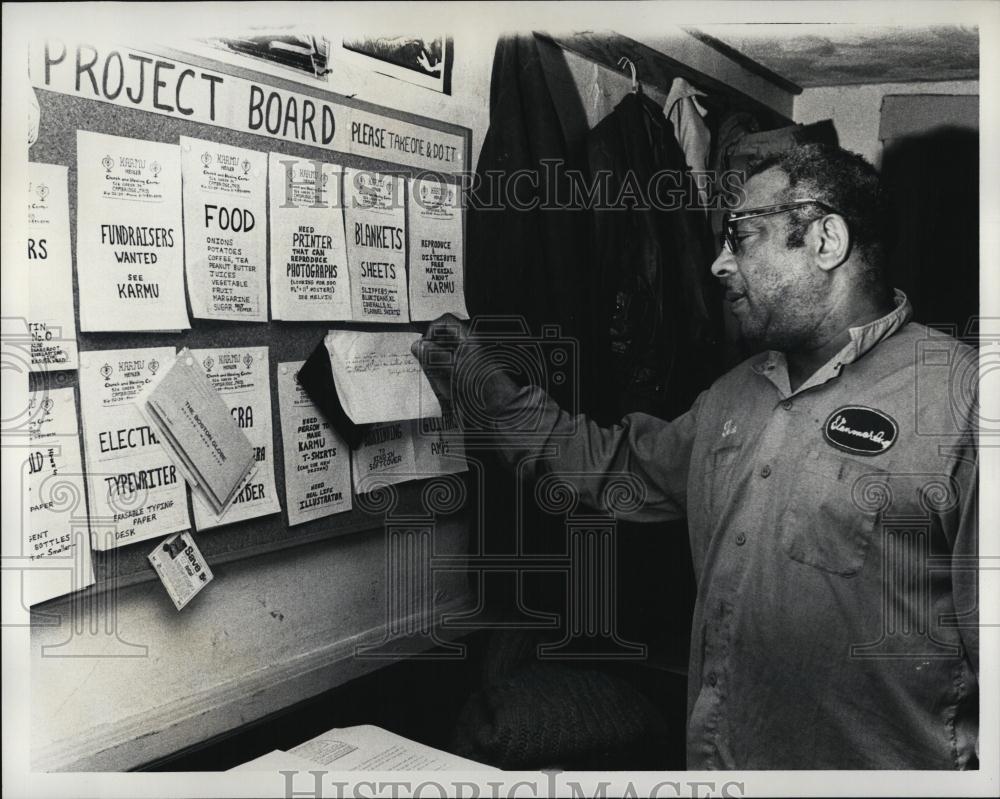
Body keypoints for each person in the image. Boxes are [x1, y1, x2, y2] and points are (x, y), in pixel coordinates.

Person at [412, 144, 979, 770]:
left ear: (825, 240)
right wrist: (490, 389)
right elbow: (612, 467)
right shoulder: (733, 396)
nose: (717, 263)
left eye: (741, 236)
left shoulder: (962, 402)